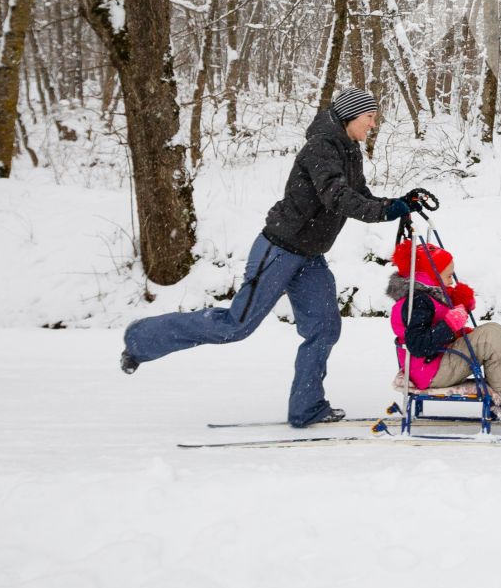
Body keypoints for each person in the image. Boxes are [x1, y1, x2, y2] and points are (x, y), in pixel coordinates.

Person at [120, 87, 433, 428]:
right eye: (370, 117)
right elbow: (336, 197)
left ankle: (306, 407)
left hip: (310, 257)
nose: (374, 124)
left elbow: (359, 196)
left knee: (324, 328)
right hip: (279, 250)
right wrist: (388, 210)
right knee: (235, 326)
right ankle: (140, 339)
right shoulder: (320, 148)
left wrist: (397, 204)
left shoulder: (349, 150)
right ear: (350, 116)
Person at [387, 242, 501, 414]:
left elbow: (435, 332)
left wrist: (459, 326)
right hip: (432, 371)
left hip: (434, 365)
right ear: (430, 277)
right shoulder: (418, 302)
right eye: (447, 276)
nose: (451, 280)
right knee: (491, 336)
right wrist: (450, 324)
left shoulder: (427, 298)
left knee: (492, 333)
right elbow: (418, 345)